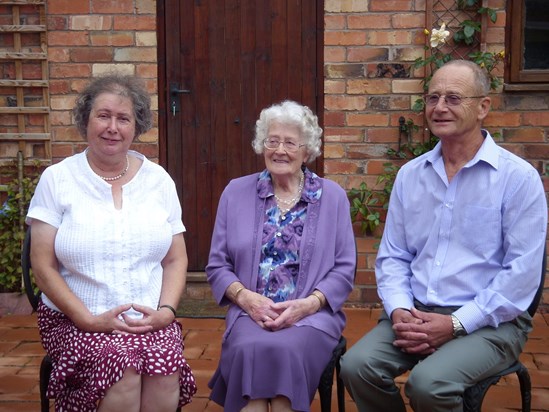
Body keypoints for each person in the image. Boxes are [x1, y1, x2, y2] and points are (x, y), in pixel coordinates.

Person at [340, 59, 547, 412]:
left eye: (453, 98)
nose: (439, 107)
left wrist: (454, 323)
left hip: (490, 321)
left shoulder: (517, 179)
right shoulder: (411, 175)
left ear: (483, 107)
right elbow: (394, 255)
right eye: (433, 97)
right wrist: (400, 309)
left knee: (429, 385)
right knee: (358, 367)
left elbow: (521, 276)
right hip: (417, 312)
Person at [26, 74, 197, 411]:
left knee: (164, 371)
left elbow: (175, 260)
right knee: (123, 368)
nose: (112, 127)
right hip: (75, 316)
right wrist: (87, 319)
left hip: (147, 317)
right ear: (85, 120)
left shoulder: (158, 180)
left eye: (123, 118)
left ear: (137, 127)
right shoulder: (58, 179)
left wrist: (166, 312)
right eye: (103, 116)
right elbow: (42, 265)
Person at [206, 100, 356, 411]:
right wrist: (247, 299)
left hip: (310, 316)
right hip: (251, 311)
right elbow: (218, 264)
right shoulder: (235, 192)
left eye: (290, 142)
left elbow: (344, 269)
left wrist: (309, 304)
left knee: (287, 352)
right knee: (249, 350)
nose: (280, 150)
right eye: (272, 141)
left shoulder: (333, 198)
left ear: (307, 150)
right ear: (262, 145)